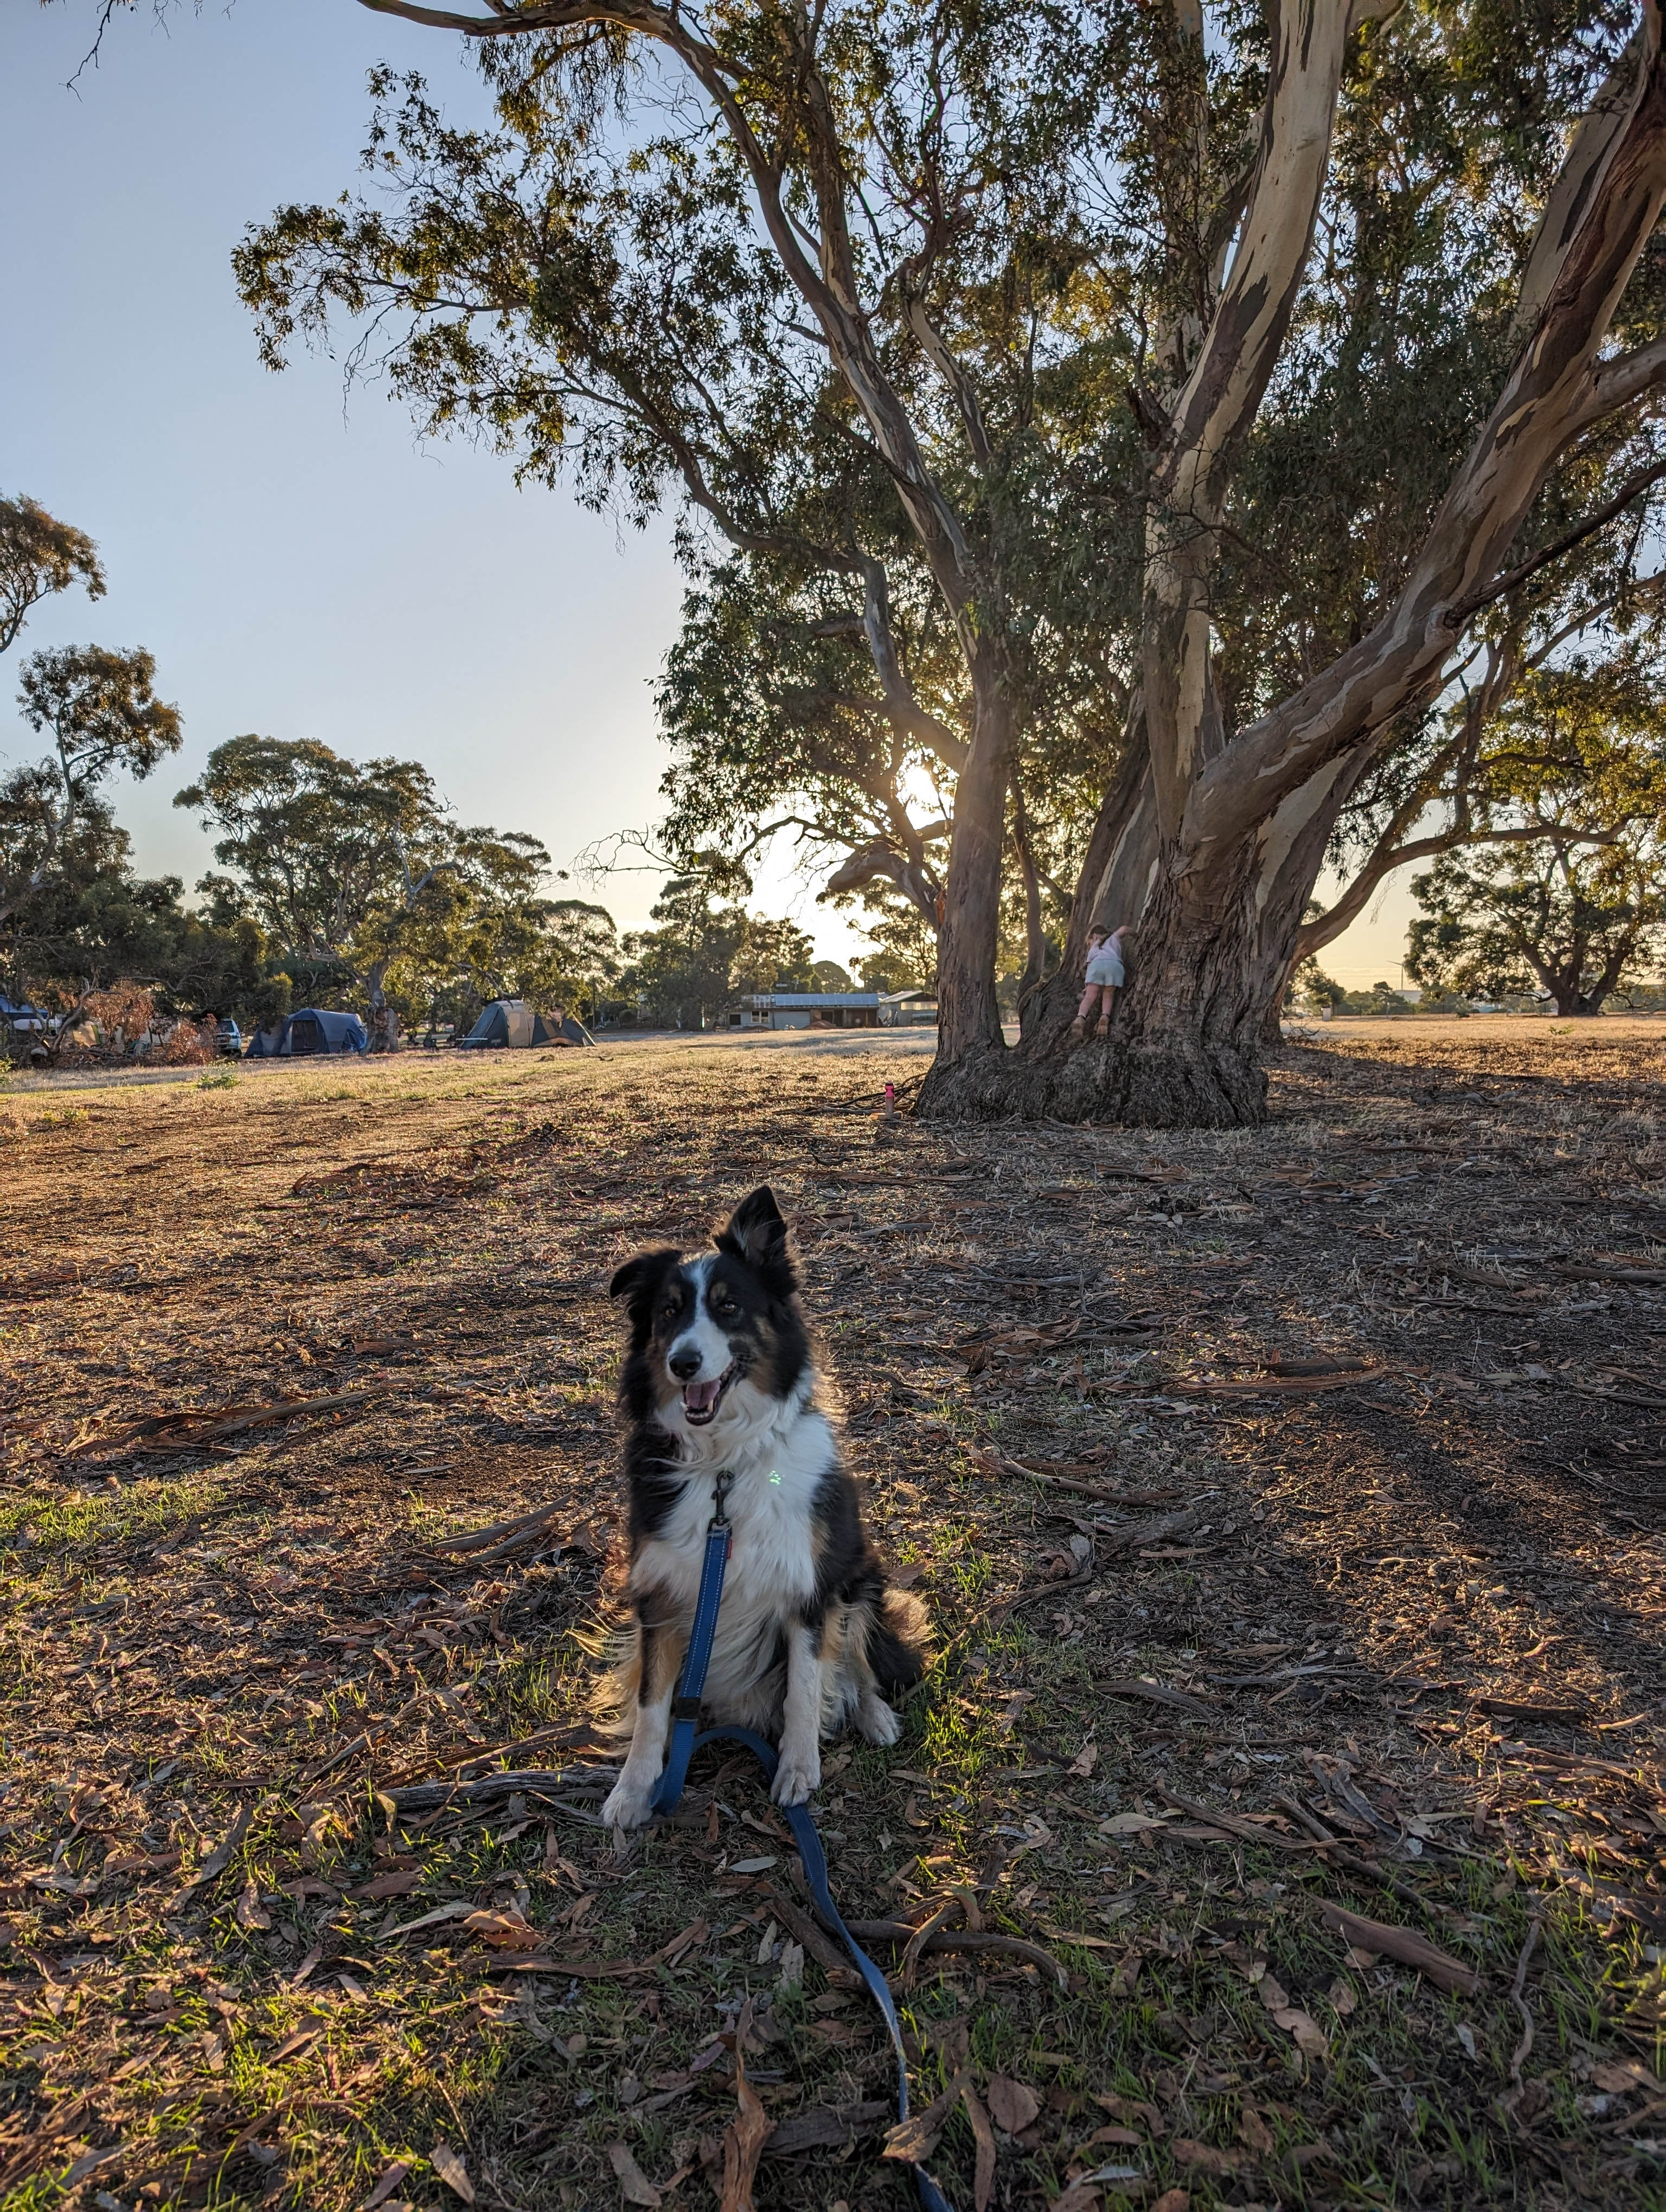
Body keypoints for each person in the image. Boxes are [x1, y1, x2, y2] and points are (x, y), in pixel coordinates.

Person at [1072, 923, 1130, 1042]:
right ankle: (1105, 1017)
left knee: (1089, 997)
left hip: (1097, 966)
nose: (1089, 946)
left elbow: (1090, 966)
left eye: (1089, 943)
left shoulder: (1095, 946)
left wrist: (1087, 986)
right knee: (1108, 994)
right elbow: (1124, 929)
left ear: (1095, 937)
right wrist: (1135, 934)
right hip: (1115, 966)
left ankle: (1080, 1018)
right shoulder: (1114, 937)